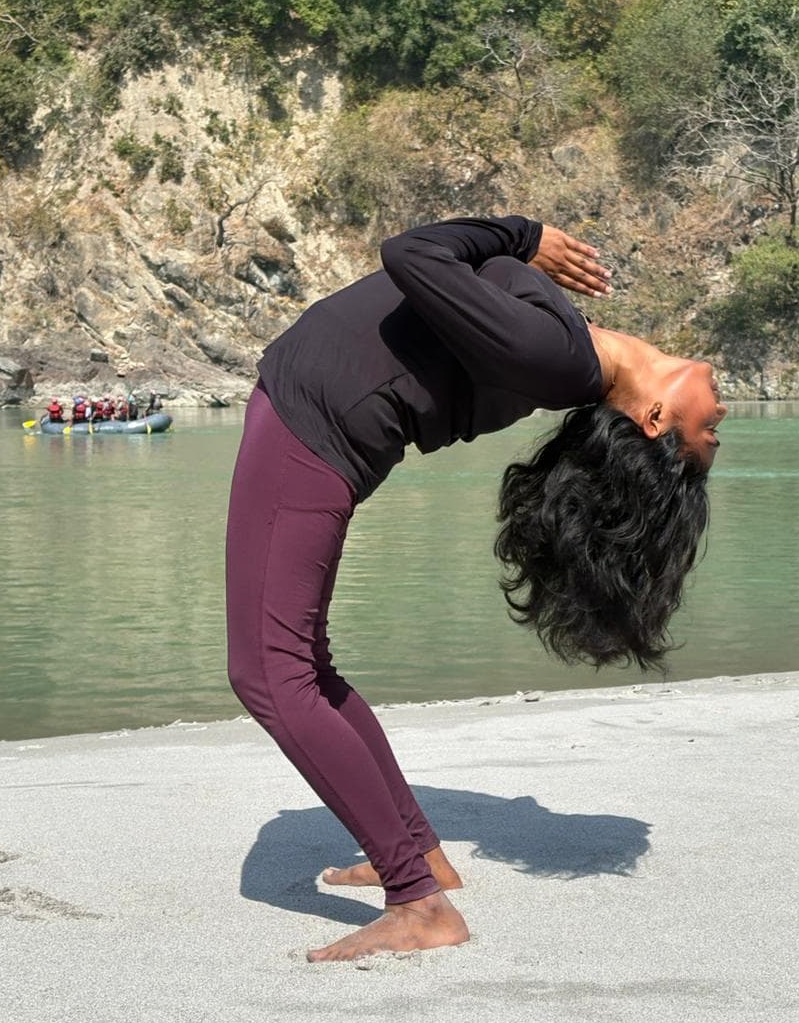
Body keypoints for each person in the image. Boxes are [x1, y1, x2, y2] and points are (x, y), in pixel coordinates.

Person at [225, 216, 726, 965]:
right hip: (319, 422)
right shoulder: (570, 351)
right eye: (713, 439)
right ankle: (419, 857)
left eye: (707, 439)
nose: (720, 426)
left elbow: (410, 254)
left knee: (269, 671)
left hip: (312, 429)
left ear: (655, 421)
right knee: (303, 664)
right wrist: (518, 249)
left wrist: (522, 235)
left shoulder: (558, 358)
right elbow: (440, 277)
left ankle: (417, 905)